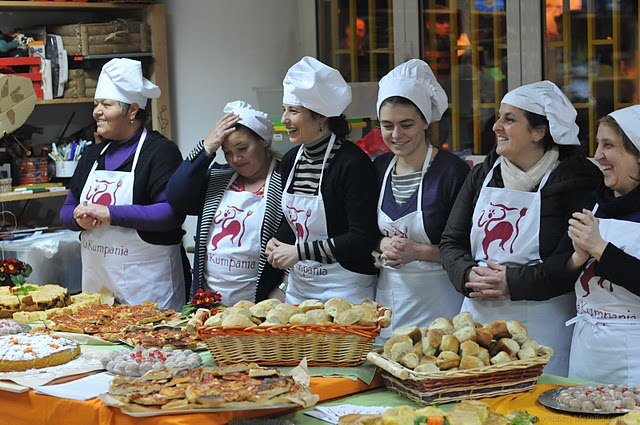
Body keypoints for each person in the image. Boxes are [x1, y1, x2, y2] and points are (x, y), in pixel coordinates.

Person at [439, 80, 601, 376]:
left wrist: (511, 282)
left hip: (544, 325)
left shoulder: (576, 181)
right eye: (499, 117)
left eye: (509, 119)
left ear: (539, 132)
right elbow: (451, 241)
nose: (496, 126)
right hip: (479, 324)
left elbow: (572, 261)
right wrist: (467, 274)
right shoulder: (483, 174)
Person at [59, 58, 186, 310]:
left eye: (107, 104)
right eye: (96, 104)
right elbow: (66, 208)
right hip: (98, 285)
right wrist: (77, 218)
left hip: (148, 288)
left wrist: (110, 213)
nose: (97, 111)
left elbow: (171, 214)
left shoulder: (160, 152)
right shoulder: (92, 155)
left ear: (133, 111)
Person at [266, 56, 378, 304]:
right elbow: (294, 223)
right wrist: (278, 242)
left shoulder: (352, 163)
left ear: (321, 117)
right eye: (284, 109)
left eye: (293, 111)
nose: (284, 119)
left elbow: (362, 237)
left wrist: (299, 251)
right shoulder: (291, 159)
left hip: (345, 288)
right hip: (300, 286)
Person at [374, 59, 469, 337]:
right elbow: (362, 231)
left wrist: (418, 252)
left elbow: (468, 248)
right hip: (389, 301)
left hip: (440, 304)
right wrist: (382, 244)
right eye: (387, 125)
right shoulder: (379, 169)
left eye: (406, 124)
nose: (396, 135)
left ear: (425, 122)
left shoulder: (452, 172)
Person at [166, 101, 283, 305]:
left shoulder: (285, 179)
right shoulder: (218, 178)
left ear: (264, 141)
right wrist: (205, 149)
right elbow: (176, 197)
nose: (235, 158)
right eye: (227, 152)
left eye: (242, 148)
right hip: (209, 301)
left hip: (263, 300)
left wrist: (283, 287)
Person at [563, 105, 640, 385]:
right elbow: (560, 275)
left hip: (634, 356)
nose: (597, 156)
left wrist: (600, 250)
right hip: (587, 352)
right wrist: (576, 258)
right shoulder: (592, 203)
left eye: (608, 145)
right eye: (597, 145)